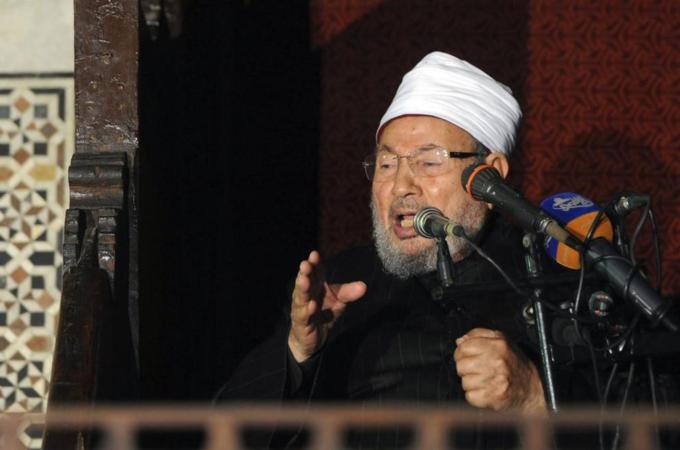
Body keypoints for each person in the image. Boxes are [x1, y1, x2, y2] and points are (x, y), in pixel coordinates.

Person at [218, 52, 578, 449]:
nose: (401, 186)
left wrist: (533, 399)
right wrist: (298, 353)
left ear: (490, 174)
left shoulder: (557, 284)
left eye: (429, 162)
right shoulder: (341, 286)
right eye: (387, 164)